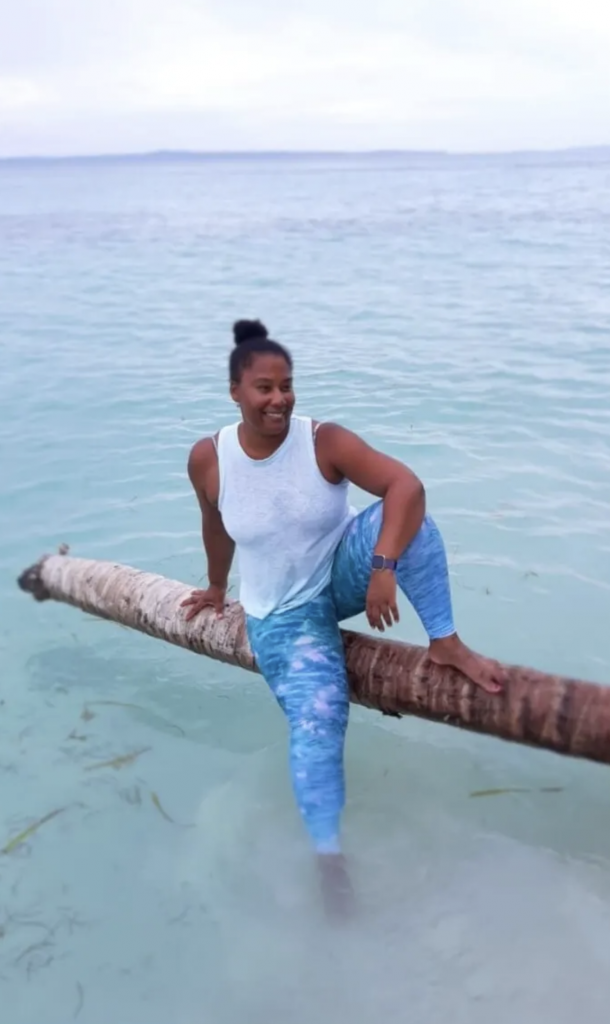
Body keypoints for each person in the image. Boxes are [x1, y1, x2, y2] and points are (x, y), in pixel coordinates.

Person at [182, 319, 506, 915]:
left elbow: (407, 487)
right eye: (264, 388)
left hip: (340, 573)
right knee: (318, 720)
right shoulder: (210, 457)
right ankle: (328, 857)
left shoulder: (323, 441)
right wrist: (216, 586)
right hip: (283, 614)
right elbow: (215, 524)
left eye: (286, 386)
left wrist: (382, 566)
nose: (279, 399)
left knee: (412, 523)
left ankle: (447, 642)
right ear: (235, 392)